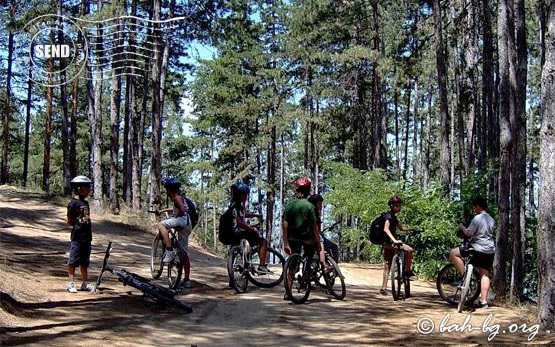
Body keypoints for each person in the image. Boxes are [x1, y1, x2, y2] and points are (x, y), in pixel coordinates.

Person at [450, 196, 496, 308]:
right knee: (484, 274)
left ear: (478, 206)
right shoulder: (491, 219)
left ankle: (465, 277)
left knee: (453, 253)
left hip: (476, 247)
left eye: (474, 207)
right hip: (489, 249)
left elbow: (469, 233)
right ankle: (483, 301)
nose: (474, 209)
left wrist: (462, 227)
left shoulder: (478, 218)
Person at [282, 178, 321, 299]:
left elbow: (285, 225)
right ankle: (306, 277)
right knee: (312, 254)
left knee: (292, 264)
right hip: (306, 238)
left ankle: (287, 291)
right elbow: (314, 226)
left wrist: (286, 242)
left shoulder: (290, 206)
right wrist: (318, 241)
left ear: (297, 190)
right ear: (309, 190)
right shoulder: (310, 206)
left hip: (292, 239)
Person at [157, 177, 193, 288]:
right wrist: (163, 210)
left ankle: (169, 250)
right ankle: (187, 279)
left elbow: (181, 210)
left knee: (161, 224)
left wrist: (176, 218)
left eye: (167, 189)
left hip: (182, 220)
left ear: (169, 189)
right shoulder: (180, 197)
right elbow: (177, 209)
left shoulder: (176, 198)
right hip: (187, 224)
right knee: (184, 253)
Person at [228, 182, 271, 274]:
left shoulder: (232, 205)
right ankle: (262, 266)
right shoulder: (238, 206)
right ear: (241, 195)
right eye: (246, 194)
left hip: (232, 232)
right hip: (240, 232)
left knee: (233, 254)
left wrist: (254, 215)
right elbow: (240, 223)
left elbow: (242, 215)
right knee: (263, 242)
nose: (247, 197)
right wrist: (251, 229)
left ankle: (232, 279)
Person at [379, 196, 417, 296]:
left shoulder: (393, 217)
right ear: (391, 206)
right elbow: (386, 229)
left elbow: (401, 228)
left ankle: (383, 288)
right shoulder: (388, 216)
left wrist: (412, 229)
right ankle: (408, 272)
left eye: (399, 206)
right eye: (396, 206)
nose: (399, 208)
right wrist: (395, 240)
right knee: (409, 250)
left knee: (387, 264)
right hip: (390, 243)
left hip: (386, 243)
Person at [66, 175, 95, 293]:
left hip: (86, 237)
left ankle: (85, 282)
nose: (89, 191)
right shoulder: (73, 203)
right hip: (77, 237)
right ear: (80, 188)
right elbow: (69, 221)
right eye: (87, 188)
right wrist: (78, 224)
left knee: (84, 261)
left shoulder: (86, 203)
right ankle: (71, 283)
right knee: (73, 260)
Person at [308, 194, 339, 263]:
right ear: (314, 204)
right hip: (315, 238)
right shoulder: (314, 214)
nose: (321, 206)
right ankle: (331, 268)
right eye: (319, 203)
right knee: (334, 247)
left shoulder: (307, 212)